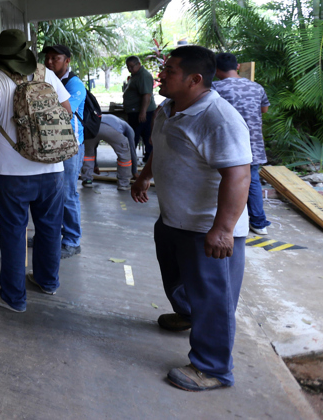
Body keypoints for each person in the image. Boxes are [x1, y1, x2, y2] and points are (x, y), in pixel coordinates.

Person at [131, 45, 251, 392]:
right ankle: (187, 313)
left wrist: (223, 229)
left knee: (214, 299)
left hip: (206, 228)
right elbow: (162, 146)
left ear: (195, 80)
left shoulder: (219, 119)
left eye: (169, 71)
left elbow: (238, 175)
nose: (161, 76)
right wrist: (144, 175)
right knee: (177, 278)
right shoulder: (168, 109)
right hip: (173, 218)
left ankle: (212, 368)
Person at [0, 29, 72, 312]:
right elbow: (67, 111)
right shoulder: (46, 74)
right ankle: (47, 281)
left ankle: (13, 296)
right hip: (52, 167)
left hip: (11, 172)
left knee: (13, 231)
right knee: (49, 228)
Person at [212, 52, 271, 236]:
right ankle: (259, 223)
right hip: (253, 144)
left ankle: (220, 221)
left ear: (215, 70)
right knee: (252, 181)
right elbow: (264, 109)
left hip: (225, 144)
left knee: (220, 181)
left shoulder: (214, 88)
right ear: (237, 66)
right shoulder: (256, 87)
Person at [43, 44, 86, 258]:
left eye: (55, 58)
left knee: (68, 193)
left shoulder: (75, 84)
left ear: (67, 61)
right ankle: (51, 236)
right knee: (52, 193)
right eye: (47, 58)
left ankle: (72, 240)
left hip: (71, 147)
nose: (49, 62)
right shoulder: (47, 81)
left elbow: (63, 114)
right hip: (51, 146)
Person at [81, 114, 137, 190]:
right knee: (124, 156)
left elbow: (94, 147)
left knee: (88, 155)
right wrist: (135, 171)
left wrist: (95, 165)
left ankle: (87, 180)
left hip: (92, 128)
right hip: (110, 130)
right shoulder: (127, 128)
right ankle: (123, 184)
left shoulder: (108, 117)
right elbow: (132, 151)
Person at [123, 56, 157, 162]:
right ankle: (140, 158)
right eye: (128, 67)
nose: (130, 69)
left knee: (140, 136)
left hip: (141, 112)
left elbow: (146, 95)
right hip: (135, 111)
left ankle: (147, 159)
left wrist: (143, 112)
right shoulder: (135, 75)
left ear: (138, 64)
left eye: (132, 66)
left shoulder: (143, 76)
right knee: (138, 135)